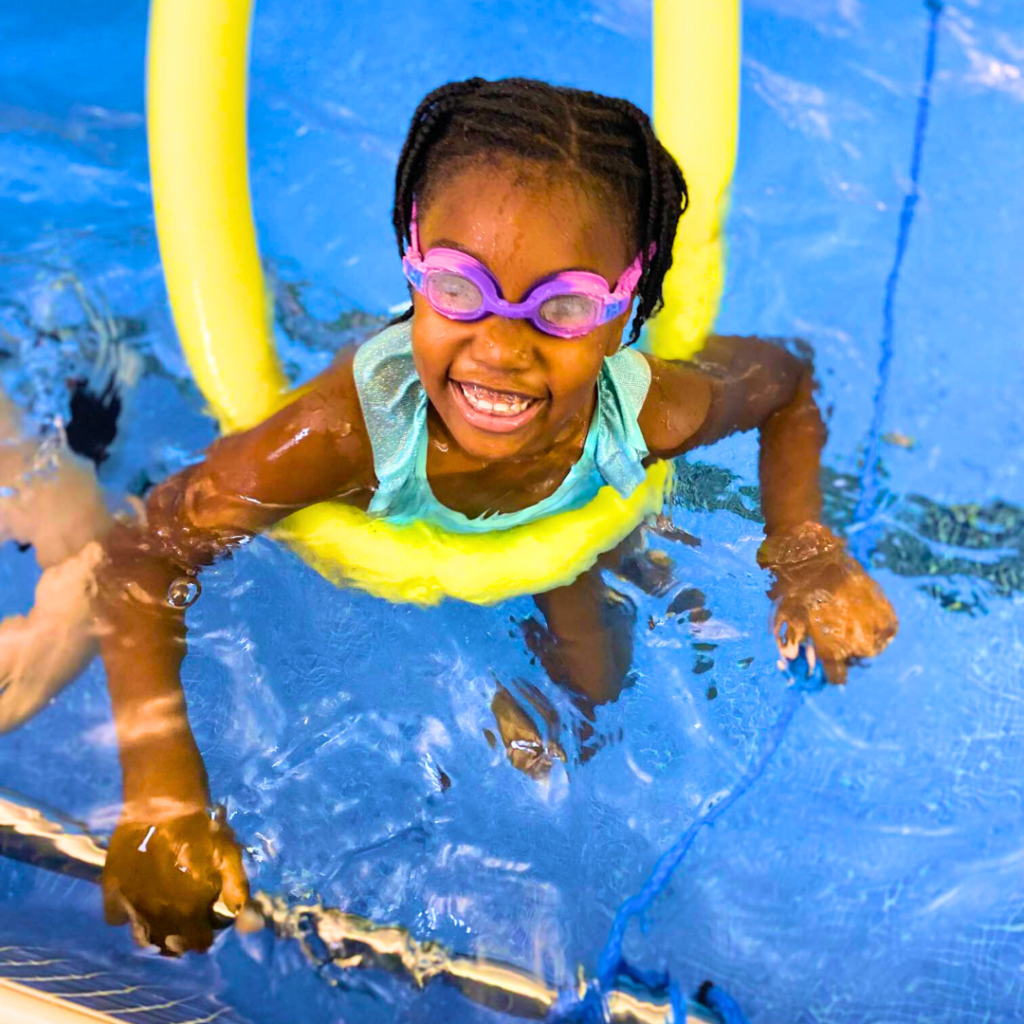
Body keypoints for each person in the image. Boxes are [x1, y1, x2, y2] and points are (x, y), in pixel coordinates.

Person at [95, 78, 897, 953]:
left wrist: (804, 550)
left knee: (596, 697)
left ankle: (587, 612)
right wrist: (161, 788)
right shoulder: (339, 439)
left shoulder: (651, 412)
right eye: (458, 286)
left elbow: (789, 382)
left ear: (624, 306)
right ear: (413, 258)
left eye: (562, 308)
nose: (501, 348)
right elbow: (143, 555)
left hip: (568, 523)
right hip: (405, 531)